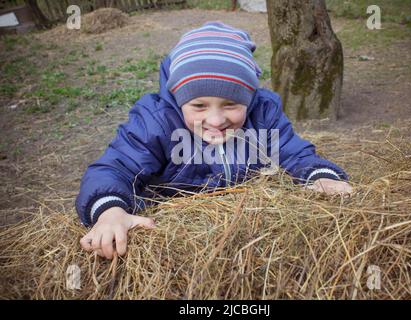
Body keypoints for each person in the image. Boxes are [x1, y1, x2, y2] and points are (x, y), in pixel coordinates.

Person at [76, 21, 353, 259]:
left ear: (249, 98)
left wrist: (319, 176)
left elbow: (294, 153)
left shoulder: (263, 114)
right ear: (179, 98)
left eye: (231, 104)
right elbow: (114, 168)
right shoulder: (156, 122)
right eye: (199, 106)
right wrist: (110, 211)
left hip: (246, 233)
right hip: (178, 235)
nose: (217, 120)